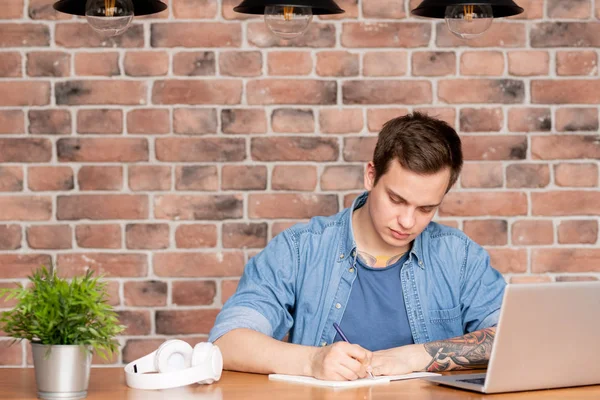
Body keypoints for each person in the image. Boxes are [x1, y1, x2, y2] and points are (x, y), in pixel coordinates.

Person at [208, 112, 506, 381]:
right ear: (371, 176)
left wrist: (416, 356)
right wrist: (312, 361)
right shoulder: (301, 249)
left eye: (426, 208)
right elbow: (228, 341)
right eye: (396, 200)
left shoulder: (459, 257)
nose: (407, 221)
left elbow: (514, 338)